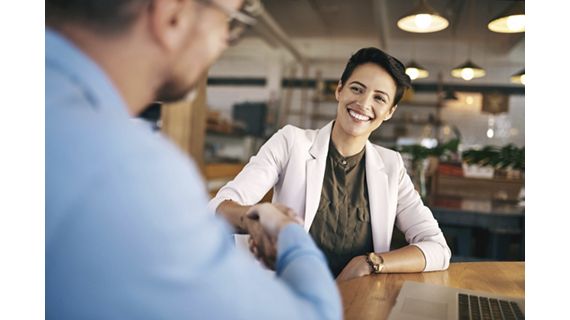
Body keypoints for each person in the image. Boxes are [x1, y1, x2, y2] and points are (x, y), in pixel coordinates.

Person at [45, 0, 341, 319]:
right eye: (230, 24)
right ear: (172, 14)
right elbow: (316, 314)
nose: (223, 43)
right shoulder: (127, 170)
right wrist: (288, 233)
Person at [209, 47, 452, 280]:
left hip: (360, 301)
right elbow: (218, 207)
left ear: (389, 112)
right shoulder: (291, 142)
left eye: (379, 98)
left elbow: (438, 248)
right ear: (339, 90)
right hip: (290, 294)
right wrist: (253, 217)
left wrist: (370, 263)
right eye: (357, 89)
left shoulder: (391, 166)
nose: (364, 103)